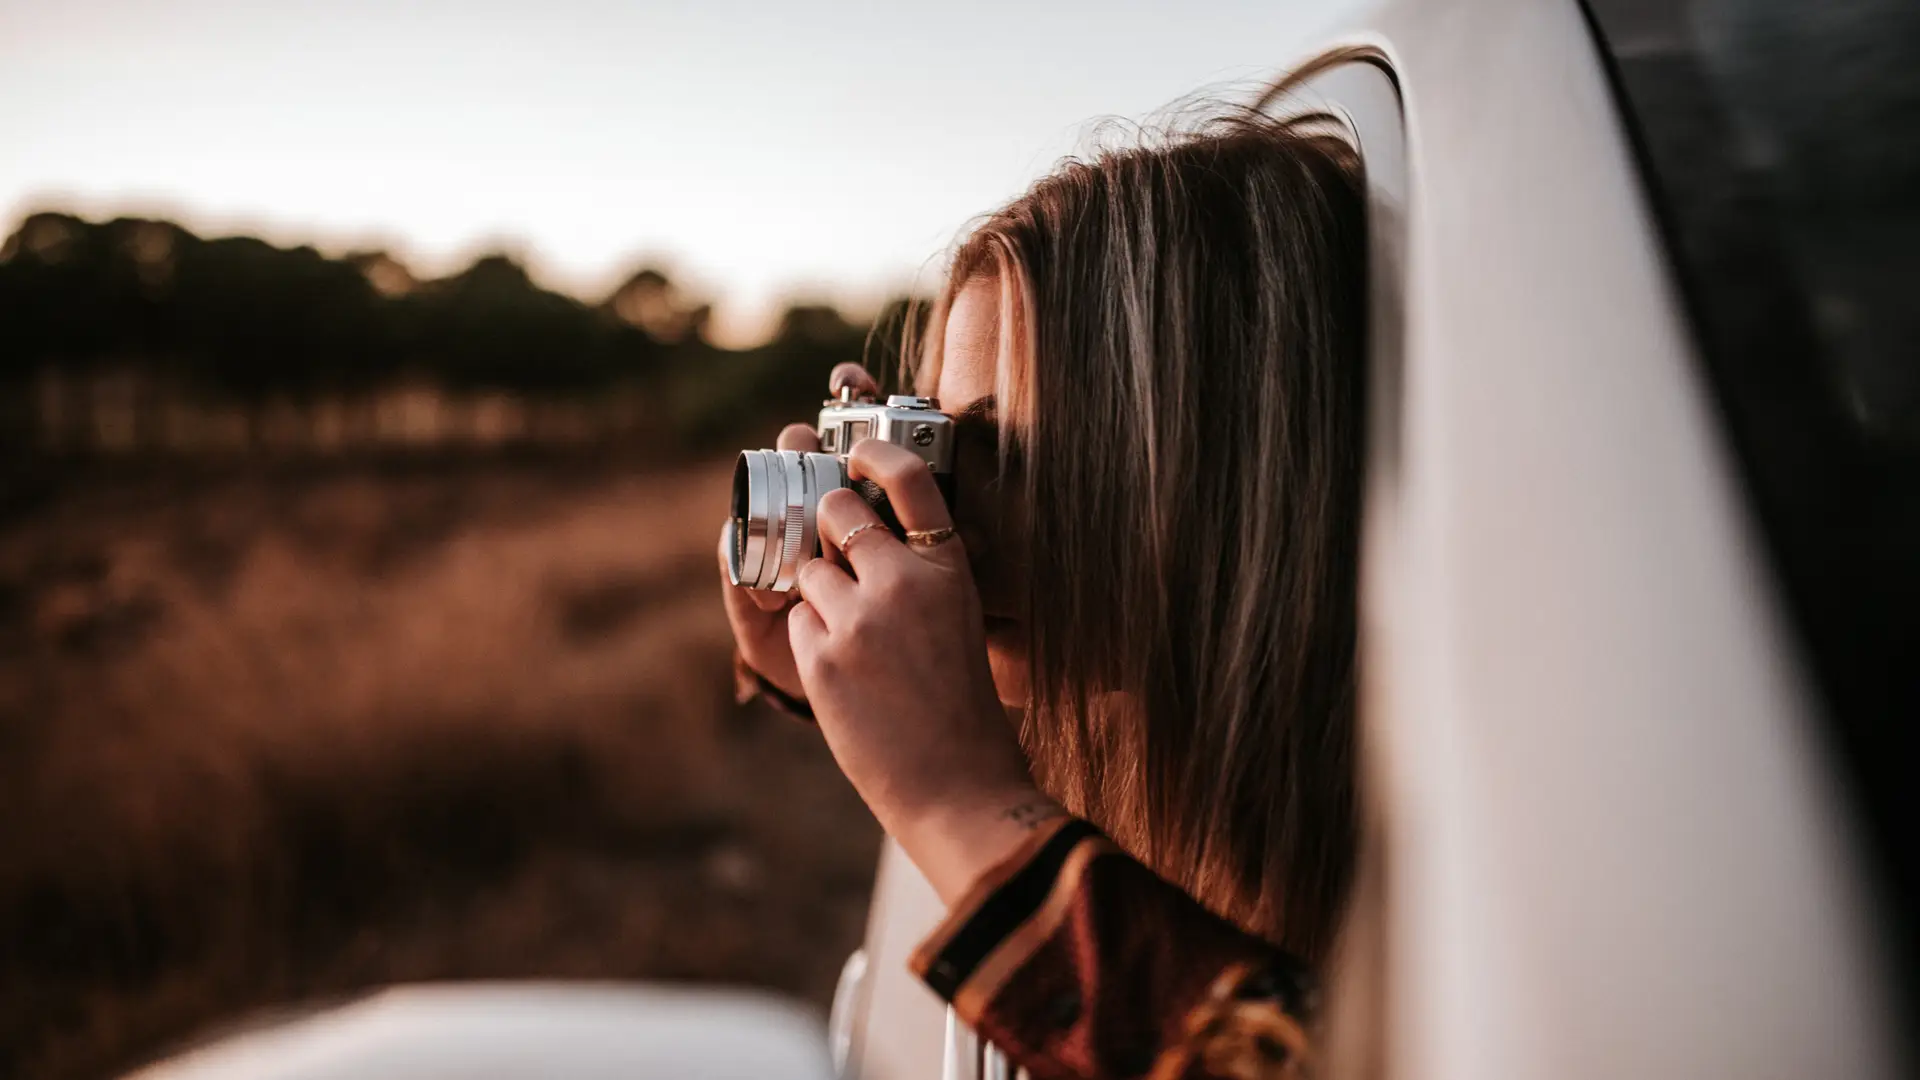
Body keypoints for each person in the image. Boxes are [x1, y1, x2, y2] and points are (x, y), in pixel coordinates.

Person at [722, 104, 1366, 1080]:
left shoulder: (1439, 861)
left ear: (1246, 482)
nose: (953, 529)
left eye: (1024, 455)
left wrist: (957, 805)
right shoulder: (1143, 733)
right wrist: (827, 671)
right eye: (940, 446)